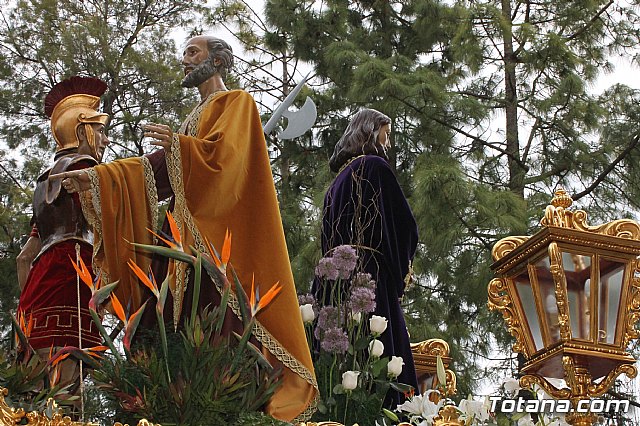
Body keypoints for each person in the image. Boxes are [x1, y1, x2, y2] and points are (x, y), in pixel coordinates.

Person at [53, 36, 317, 422]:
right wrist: (98, 179)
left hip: (212, 246)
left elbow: (225, 164)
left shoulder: (236, 103)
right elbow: (158, 173)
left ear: (219, 60)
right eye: (184, 54)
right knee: (162, 333)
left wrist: (180, 149)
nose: (184, 60)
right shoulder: (192, 118)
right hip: (178, 243)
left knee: (214, 337)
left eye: (193, 52)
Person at [312, 108, 419, 405]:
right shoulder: (373, 166)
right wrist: (399, 273)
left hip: (333, 281)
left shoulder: (335, 185)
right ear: (371, 132)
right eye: (385, 135)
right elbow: (403, 225)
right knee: (375, 356)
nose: (387, 143)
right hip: (367, 278)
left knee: (340, 359)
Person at [16, 76, 110, 389]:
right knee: (67, 389)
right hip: (73, 271)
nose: (105, 140)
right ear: (82, 131)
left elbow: (23, 258)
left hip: (38, 288)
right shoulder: (85, 168)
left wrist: (25, 308)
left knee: (36, 390)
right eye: (100, 130)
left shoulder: (42, 185)